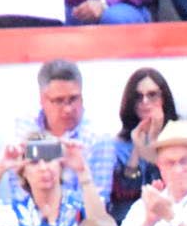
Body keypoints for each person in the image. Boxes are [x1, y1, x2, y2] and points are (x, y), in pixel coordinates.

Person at [13, 59, 118, 207]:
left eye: (73, 99)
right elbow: (18, 191)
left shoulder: (99, 138)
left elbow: (99, 202)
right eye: (59, 101)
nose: (68, 109)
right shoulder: (25, 129)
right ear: (42, 99)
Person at [111, 68, 179, 215]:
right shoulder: (119, 144)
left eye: (152, 95)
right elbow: (125, 195)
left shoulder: (180, 135)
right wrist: (137, 148)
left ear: (164, 98)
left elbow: (177, 182)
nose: (145, 102)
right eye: (138, 96)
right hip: (133, 218)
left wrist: (155, 140)